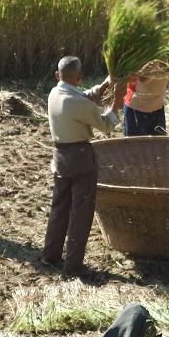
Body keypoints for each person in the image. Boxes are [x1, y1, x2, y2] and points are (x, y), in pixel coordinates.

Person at [40, 56, 122, 278]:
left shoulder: (54, 94)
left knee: (59, 207)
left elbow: (83, 98)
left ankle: (51, 254)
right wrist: (118, 102)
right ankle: (74, 265)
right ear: (79, 78)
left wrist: (105, 84)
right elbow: (107, 125)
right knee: (81, 212)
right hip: (80, 158)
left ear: (58, 75)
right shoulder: (78, 103)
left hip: (60, 157)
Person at [123, 51, 169, 137]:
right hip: (136, 108)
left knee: (157, 146)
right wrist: (157, 59)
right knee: (134, 146)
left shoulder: (168, 52)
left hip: (157, 108)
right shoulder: (141, 51)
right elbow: (142, 77)